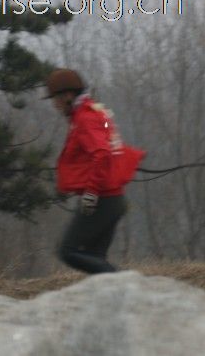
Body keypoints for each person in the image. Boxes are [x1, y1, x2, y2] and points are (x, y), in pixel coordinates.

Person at [46, 68, 145, 273]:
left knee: (68, 251)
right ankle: (124, 294)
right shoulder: (97, 112)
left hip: (101, 199)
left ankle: (133, 284)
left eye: (55, 98)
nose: (53, 104)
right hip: (112, 199)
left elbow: (101, 153)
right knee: (94, 258)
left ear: (67, 96)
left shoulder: (85, 118)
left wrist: (91, 193)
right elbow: (109, 140)